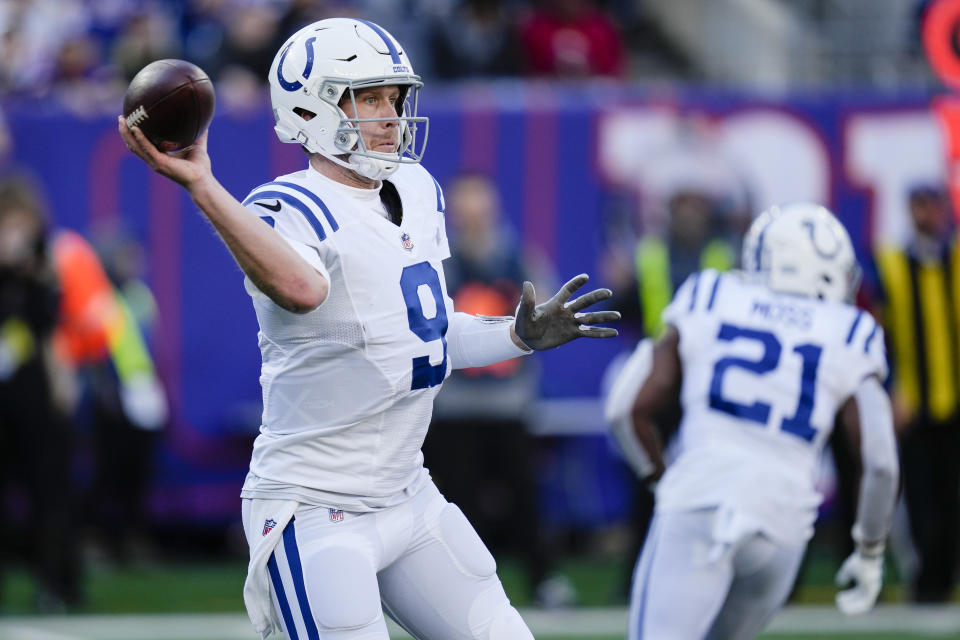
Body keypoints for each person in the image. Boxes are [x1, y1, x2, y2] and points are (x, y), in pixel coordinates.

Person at [119, 17, 619, 640]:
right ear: (312, 108)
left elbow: (420, 338)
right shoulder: (281, 206)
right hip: (314, 508)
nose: (389, 114)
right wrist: (201, 184)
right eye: (369, 98)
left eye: (394, 97)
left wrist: (514, 336)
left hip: (408, 492)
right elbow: (304, 290)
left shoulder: (414, 187)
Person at [605, 203, 899, 639]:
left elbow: (624, 408)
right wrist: (871, 550)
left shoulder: (711, 295)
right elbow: (881, 463)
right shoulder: (850, 329)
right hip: (783, 523)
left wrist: (660, 480)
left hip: (704, 497)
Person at [873, 184, 960, 602]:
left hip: (955, 399)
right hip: (915, 403)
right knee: (922, 500)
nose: (926, 214)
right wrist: (891, 389)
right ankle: (927, 582)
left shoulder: (956, 259)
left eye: (932, 205)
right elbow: (876, 335)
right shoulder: (891, 264)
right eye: (919, 206)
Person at [0, 175, 82, 611]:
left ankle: (59, 585)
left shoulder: (42, 266)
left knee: (50, 494)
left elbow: (49, 325)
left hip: (33, 393)